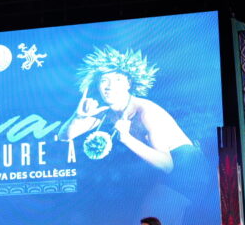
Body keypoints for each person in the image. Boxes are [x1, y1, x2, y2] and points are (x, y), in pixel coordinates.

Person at [58, 46, 194, 171]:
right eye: (104, 80)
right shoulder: (106, 111)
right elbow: (65, 136)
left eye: (117, 79)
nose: (109, 86)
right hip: (162, 171)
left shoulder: (146, 113)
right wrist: (78, 116)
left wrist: (126, 138)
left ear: (128, 83)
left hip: (189, 166)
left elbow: (167, 165)